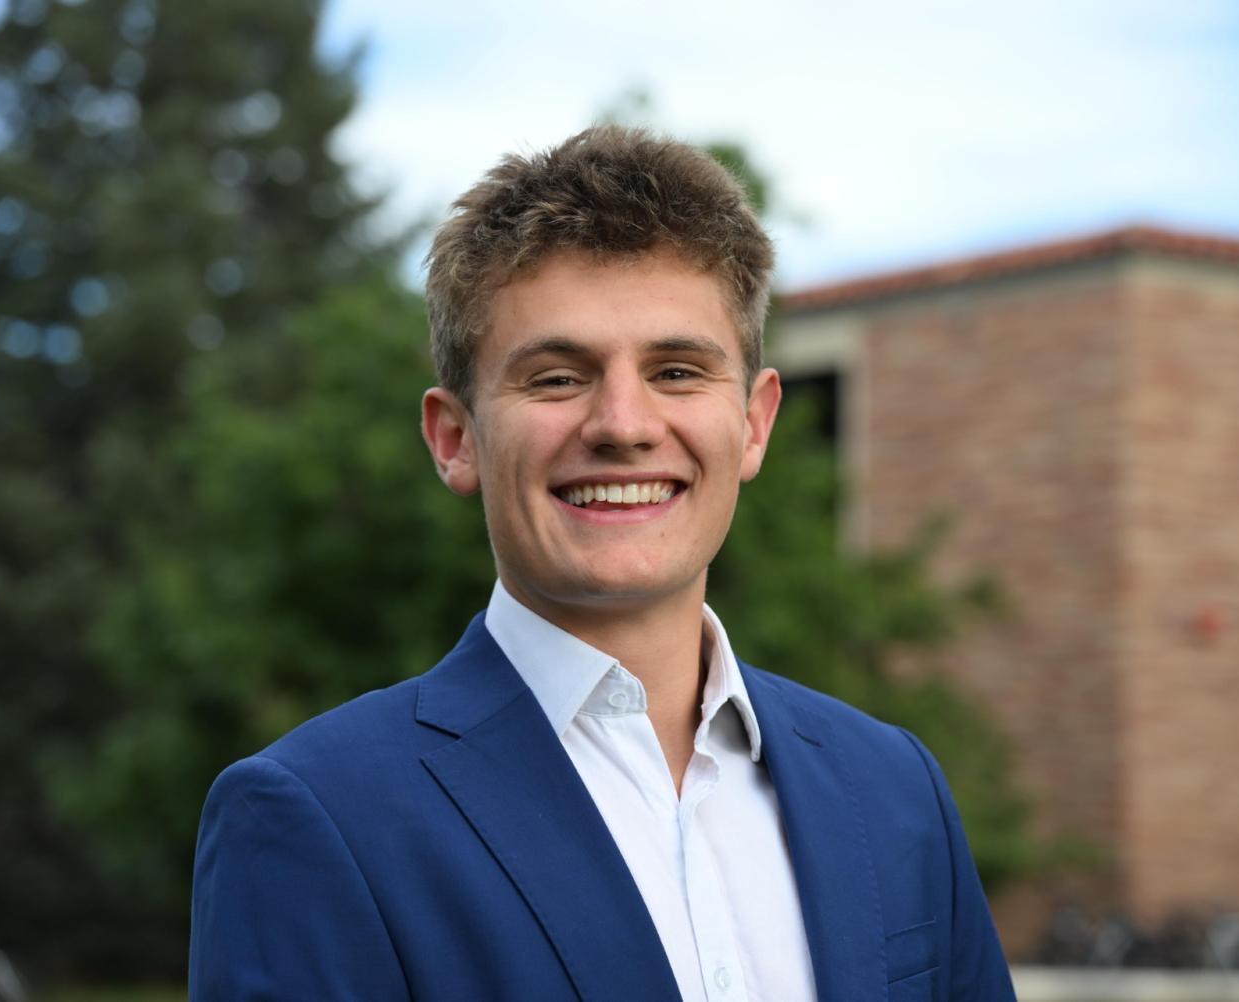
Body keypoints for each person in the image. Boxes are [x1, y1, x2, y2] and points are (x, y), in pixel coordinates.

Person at [189, 125, 1016, 1001]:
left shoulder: (894, 789)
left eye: (677, 370)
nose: (623, 424)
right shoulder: (317, 816)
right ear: (455, 438)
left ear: (754, 423)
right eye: (555, 378)